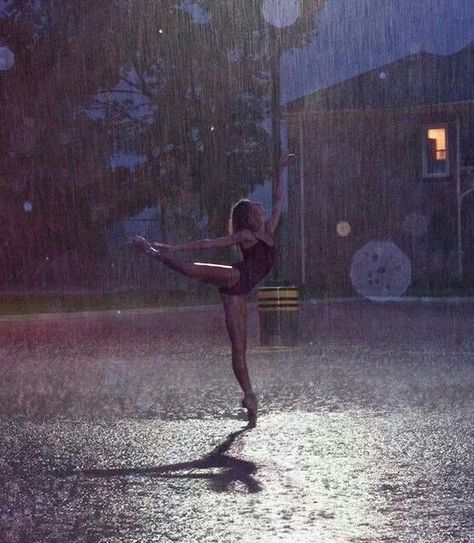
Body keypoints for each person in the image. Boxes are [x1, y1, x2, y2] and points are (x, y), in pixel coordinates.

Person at [133, 153, 296, 427]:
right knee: (191, 269)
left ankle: (250, 397)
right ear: (249, 217)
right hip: (235, 277)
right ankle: (154, 250)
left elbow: (279, 199)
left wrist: (279, 168)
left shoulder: (270, 229)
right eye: (256, 206)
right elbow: (211, 242)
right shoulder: (248, 235)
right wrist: (176, 247)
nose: (262, 206)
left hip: (239, 293)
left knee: (239, 350)